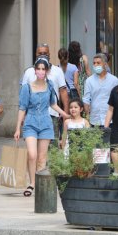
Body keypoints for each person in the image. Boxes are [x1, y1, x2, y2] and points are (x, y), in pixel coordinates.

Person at [14, 56, 69, 197]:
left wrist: (64, 114)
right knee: (32, 154)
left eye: (43, 69)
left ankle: (38, 183)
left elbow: (53, 104)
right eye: (38, 69)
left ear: (47, 71)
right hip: (30, 122)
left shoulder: (50, 86)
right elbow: (22, 108)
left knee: (42, 157)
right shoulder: (27, 87)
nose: (40, 71)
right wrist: (17, 128)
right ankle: (31, 182)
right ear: (34, 70)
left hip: (45, 122)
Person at [21, 44, 69, 144]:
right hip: (32, 117)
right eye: (40, 53)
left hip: (52, 116)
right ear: (35, 54)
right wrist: (23, 117)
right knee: (33, 150)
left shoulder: (57, 71)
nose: (43, 55)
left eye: (45, 53)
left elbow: (63, 93)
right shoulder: (28, 72)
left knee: (52, 149)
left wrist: (65, 114)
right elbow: (23, 97)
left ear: (49, 54)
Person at [83, 53, 118, 127]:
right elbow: (86, 100)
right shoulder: (89, 81)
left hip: (111, 119)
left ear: (105, 64)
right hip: (95, 119)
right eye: (94, 63)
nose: (96, 65)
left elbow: (117, 99)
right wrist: (87, 116)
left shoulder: (114, 80)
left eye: (98, 63)